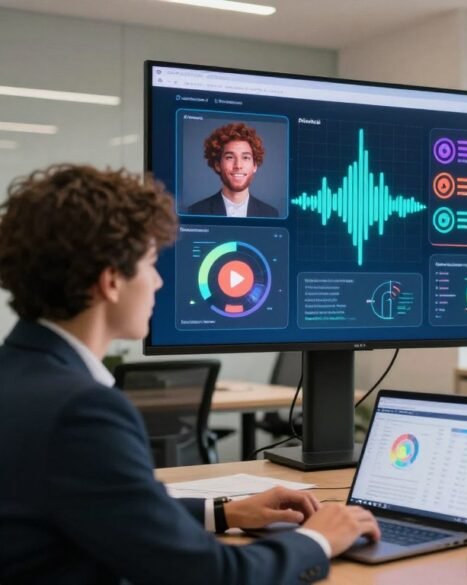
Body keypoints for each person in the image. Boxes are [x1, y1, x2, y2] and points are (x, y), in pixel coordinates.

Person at [0, 165, 378, 584]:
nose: (159, 281)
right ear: (110, 282)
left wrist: (225, 511)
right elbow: (212, 576)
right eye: (149, 263)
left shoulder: (18, 375)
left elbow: (104, 505)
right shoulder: (81, 411)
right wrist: (318, 540)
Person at [187, 122, 281, 217]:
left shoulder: (271, 214)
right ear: (217, 165)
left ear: (254, 166)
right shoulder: (196, 211)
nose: (238, 165)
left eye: (245, 157)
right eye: (230, 157)